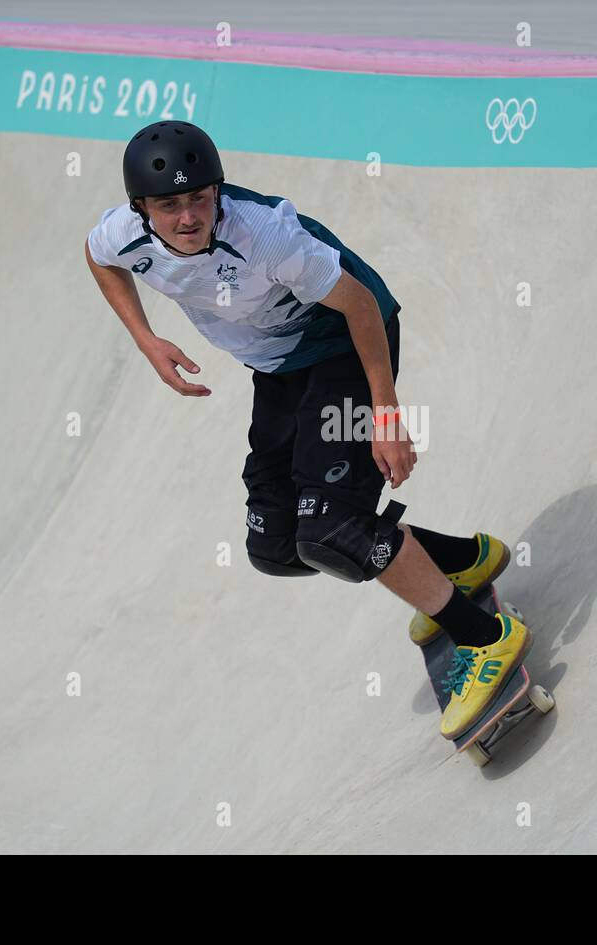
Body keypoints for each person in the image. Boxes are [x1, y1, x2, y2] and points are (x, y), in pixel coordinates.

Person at [84, 120, 530, 739]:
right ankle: (465, 560)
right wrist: (145, 338)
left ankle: (485, 638)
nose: (187, 218)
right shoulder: (121, 233)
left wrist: (386, 414)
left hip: (341, 342)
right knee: (280, 545)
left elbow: (362, 307)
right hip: (277, 367)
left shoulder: (264, 235)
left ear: (217, 190)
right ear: (141, 209)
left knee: (334, 529)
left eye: (199, 198)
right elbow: (99, 257)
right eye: (168, 205)